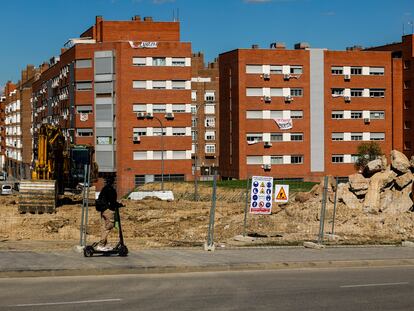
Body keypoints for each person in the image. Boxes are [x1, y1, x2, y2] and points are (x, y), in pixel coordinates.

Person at [97, 176, 121, 251]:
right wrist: (119, 205)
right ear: (113, 182)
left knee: (104, 227)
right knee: (109, 226)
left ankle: (105, 244)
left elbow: (101, 198)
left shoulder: (104, 189)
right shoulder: (111, 189)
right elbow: (112, 201)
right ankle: (101, 245)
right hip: (108, 210)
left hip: (103, 210)